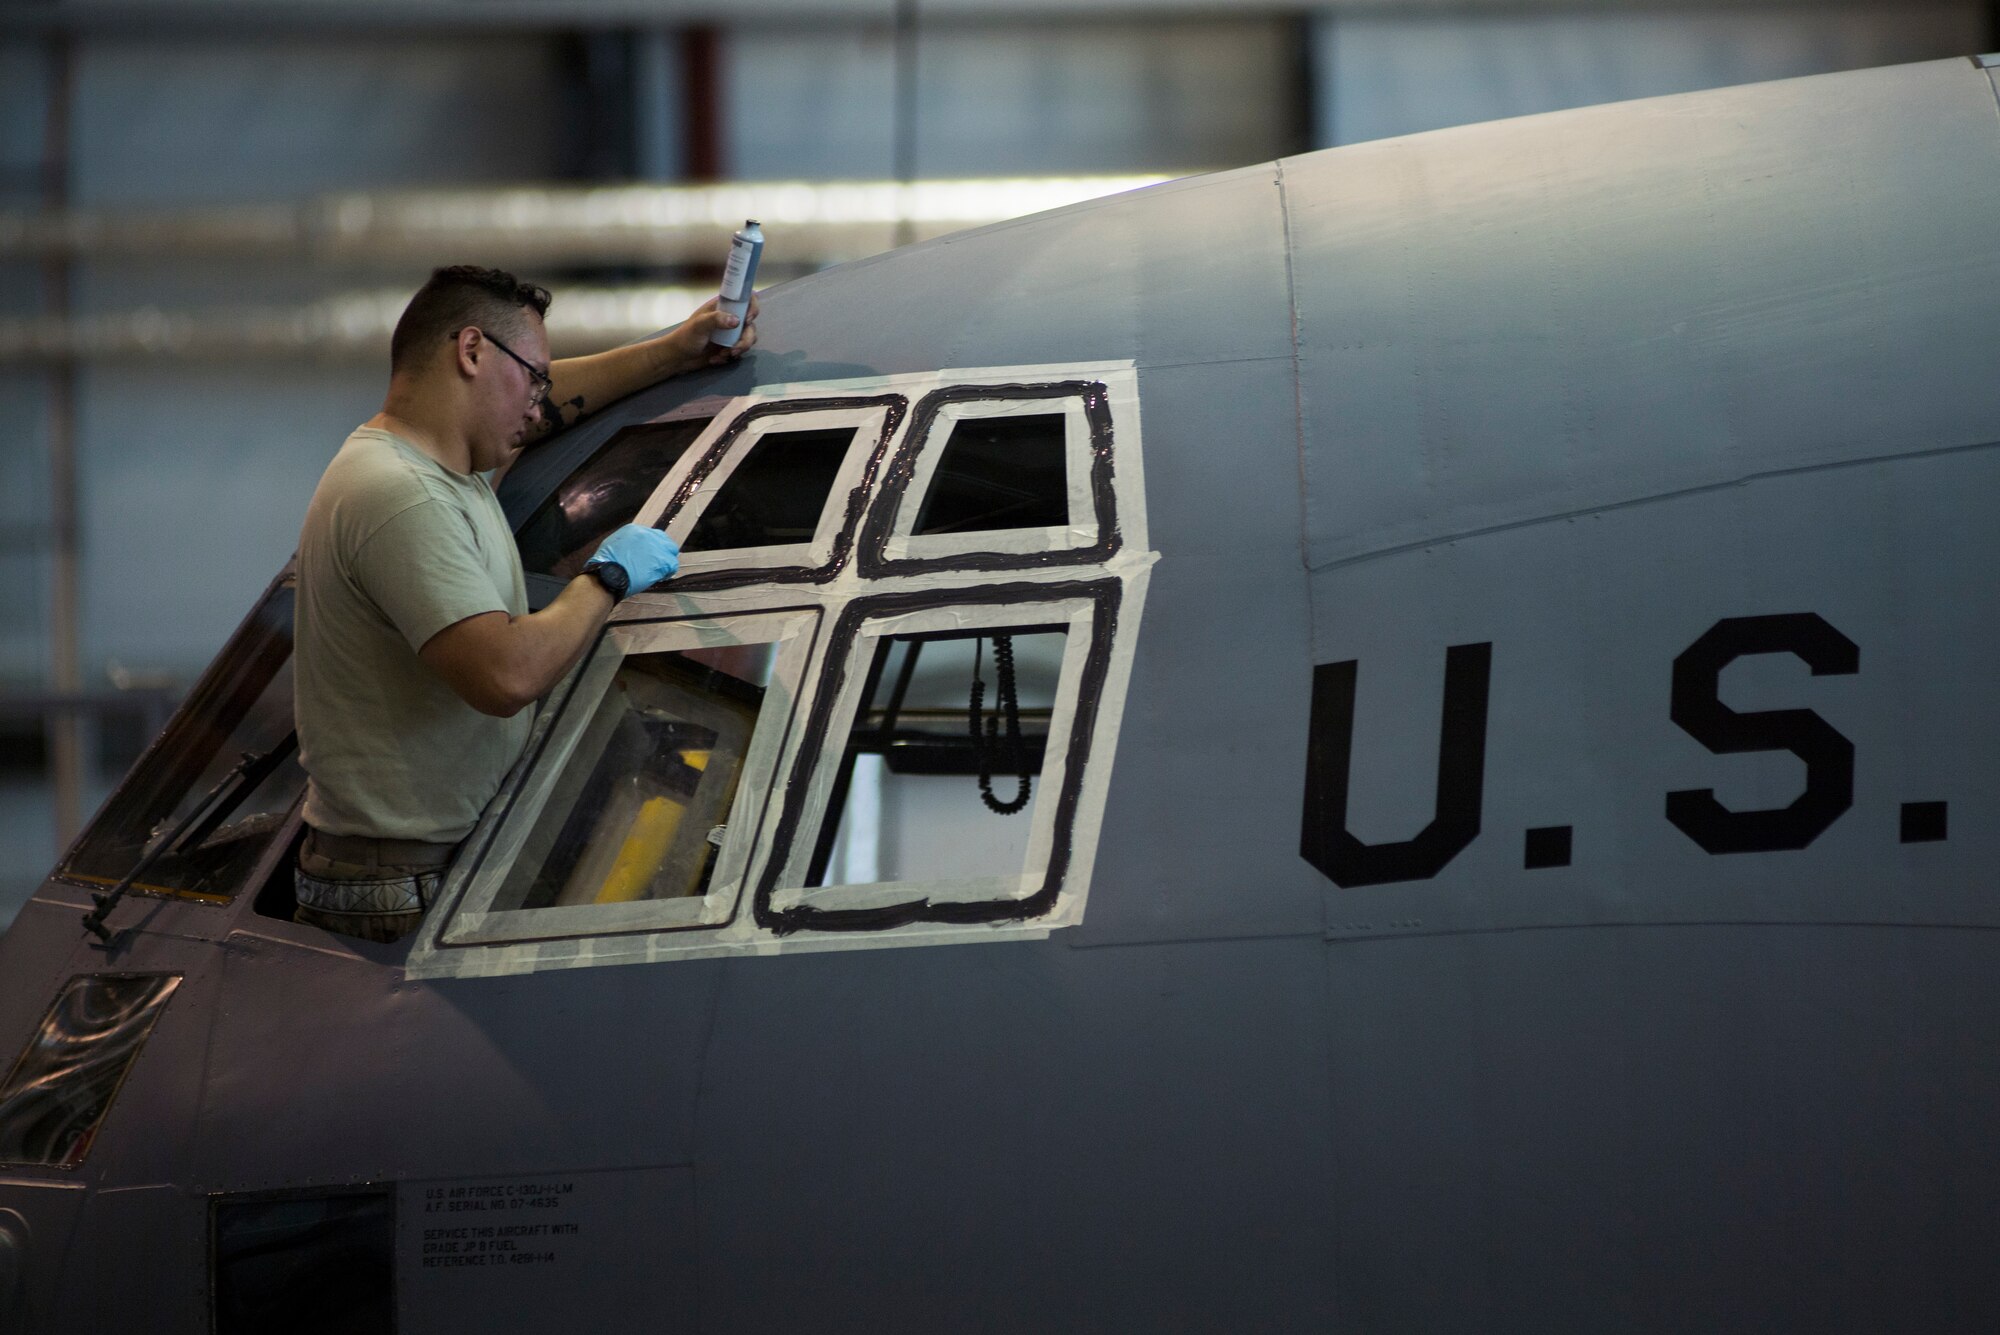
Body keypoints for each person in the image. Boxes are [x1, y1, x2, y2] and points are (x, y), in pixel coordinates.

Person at [292, 265, 758, 942]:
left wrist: (674, 351)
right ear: (472, 351)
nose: (542, 403)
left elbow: (557, 395)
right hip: (396, 891)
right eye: (533, 378)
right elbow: (505, 675)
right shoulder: (400, 494)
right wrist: (606, 579)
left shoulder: (448, 468)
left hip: (419, 867)